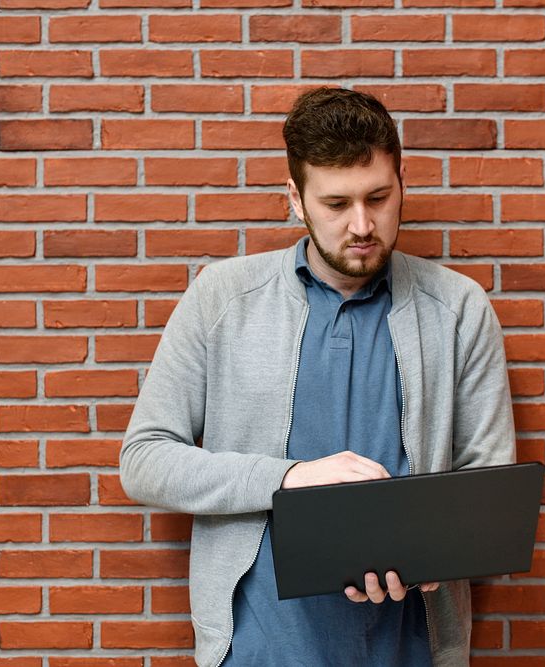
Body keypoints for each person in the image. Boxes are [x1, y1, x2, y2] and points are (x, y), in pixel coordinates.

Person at [119, 87, 515, 666]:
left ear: (402, 183)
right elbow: (145, 460)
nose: (362, 224)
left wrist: (435, 555)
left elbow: (492, 487)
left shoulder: (458, 308)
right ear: (296, 200)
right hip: (261, 647)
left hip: (411, 646)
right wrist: (290, 477)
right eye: (336, 204)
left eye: (379, 197)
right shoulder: (221, 298)